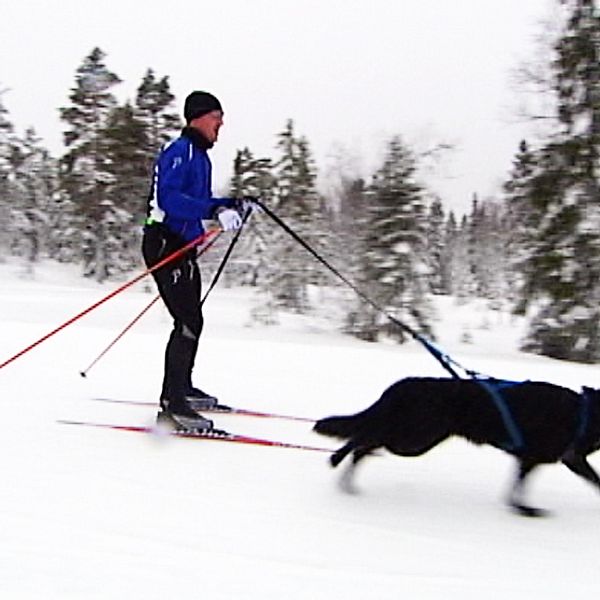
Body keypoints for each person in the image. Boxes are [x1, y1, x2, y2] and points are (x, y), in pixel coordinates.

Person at [142, 91, 246, 431]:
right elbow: (170, 199)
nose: (221, 123)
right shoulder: (179, 151)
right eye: (217, 116)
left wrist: (233, 202)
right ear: (199, 117)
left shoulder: (200, 157)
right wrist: (213, 210)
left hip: (183, 247)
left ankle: (182, 389)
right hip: (163, 243)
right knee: (186, 320)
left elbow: (197, 200)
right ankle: (172, 404)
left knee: (193, 319)